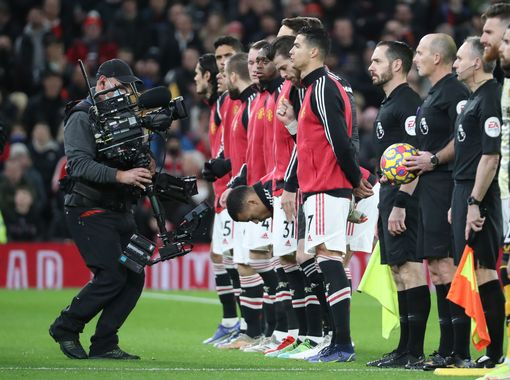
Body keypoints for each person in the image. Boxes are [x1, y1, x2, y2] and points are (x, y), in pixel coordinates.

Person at [49, 59, 153, 360]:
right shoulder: (82, 116)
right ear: (103, 82)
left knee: (134, 275)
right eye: (121, 88)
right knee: (111, 275)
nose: (125, 96)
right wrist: (122, 175)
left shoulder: (123, 118)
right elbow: (78, 164)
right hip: (88, 207)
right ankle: (66, 326)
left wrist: (144, 165)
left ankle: (105, 342)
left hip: (120, 208)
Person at [288, 26, 360, 363]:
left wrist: (354, 178)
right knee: (326, 259)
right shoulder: (313, 88)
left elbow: (339, 140)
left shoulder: (321, 88)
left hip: (327, 186)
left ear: (314, 52)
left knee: (330, 261)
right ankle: (337, 341)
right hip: (321, 187)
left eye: (297, 45)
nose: (291, 51)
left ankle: (342, 343)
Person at [402, 33, 470, 370]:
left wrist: (433, 160)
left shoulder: (455, 91)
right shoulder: (434, 93)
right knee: (438, 268)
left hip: (445, 184)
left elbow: (464, 138)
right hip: (430, 187)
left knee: (449, 267)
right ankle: (446, 348)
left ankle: (459, 349)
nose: (416, 57)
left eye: (420, 52)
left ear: (438, 58)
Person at [365, 41, 423, 369]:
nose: (370, 66)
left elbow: (414, 157)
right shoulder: (389, 103)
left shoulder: (409, 103)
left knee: (411, 270)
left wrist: (401, 202)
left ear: (397, 65)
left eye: (377, 61)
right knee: (399, 273)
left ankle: (414, 351)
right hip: (389, 197)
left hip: (405, 199)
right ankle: (404, 349)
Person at [450, 36, 505, 368]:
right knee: (470, 271)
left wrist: (473, 202)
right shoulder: (473, 99)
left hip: (479, 194)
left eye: (459, 58)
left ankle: (496, 352)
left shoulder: (489, 100)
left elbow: (490, 156)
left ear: (475, 62)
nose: (455, 63)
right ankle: (480, 350)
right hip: (464, 191)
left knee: (485, 271)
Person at [195, 53, 240, 345]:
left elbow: (235, 147)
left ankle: (247, 323)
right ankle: (232, 321)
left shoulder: (229, 103)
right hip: (223, 191)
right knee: (223, 256)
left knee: (241, 259)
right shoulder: (217, 106)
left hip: (234, 192)